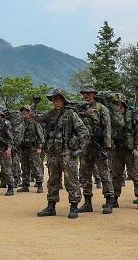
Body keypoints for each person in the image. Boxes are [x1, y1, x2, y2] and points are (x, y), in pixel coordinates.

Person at [34, 89, 89, 219]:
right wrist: (34, 104)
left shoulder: (71, 114)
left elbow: (83, 131)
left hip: (67, 153)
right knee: (53, 180)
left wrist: (81, 148)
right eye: (53, 99)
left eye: (57, 99)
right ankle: (51, 206)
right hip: (53, 152)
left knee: (71, 180)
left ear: (63, 100)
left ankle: (74, 207)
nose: (54, 102)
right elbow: (35, 117)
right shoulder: (51, 114)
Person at [77, 84, 115, 214]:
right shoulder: (78, 108)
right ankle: (87, 202)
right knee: (85, 175)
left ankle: (110, 200)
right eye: (84, 93)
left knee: (104, 173)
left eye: (88, 93)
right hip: (85, 147)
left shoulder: (101, 108)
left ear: (94, 94)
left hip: (99, 146)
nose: (86, 95)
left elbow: (107, 128)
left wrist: (107, 146)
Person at [110, 98, 134, 207]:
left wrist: (136, 148)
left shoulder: (132, 116)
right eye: (118, 106)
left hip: (129, 150)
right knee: (116, 175)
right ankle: (115, 198)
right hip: (117, 150)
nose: (119, 108)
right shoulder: (113, 118)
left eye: (121, 106)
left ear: (125, 106)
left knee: (134, 174)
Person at [17, 105, 45, 193]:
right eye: (23, 112)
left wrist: (40, 147)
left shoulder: (35, 122)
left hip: (33, 148)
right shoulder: (22, 123)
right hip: (24, 148)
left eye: (26, 111)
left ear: (30, 112)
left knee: (36, 166)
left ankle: (39, 184)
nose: (24, 113)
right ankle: (25, 185)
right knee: (24, 166)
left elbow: (41, 136)